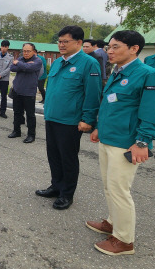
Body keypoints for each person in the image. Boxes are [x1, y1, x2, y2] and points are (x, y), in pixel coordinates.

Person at [87, 30, 155, 255]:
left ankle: (124, 240)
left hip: (126, 142)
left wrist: (142, 142)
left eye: (115, 47)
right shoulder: (117, 71)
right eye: (109, 47)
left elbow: (153, 112)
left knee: (120, 190)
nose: (109, 51)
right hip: (109, 137)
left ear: (134, 49)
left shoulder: (148, 74)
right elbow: (113, 103)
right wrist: (99, 127)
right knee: (109, 186)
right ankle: (113, 223)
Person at [35, 26, 102, 210]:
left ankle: (67, 194)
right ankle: (56, 186)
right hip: (53, 117)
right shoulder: (57, 62)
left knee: (68, 158)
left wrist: (88, 119)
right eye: (59, 41)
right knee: (53, 156)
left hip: (71, 121)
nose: (61, 45)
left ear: (79, 43)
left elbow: (93, 94)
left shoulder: (89, 63)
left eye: (66, 41)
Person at [9, 43, 43, 143]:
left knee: (30, 115)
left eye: (28, 51)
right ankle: (16, 131)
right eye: (24, 51)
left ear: (33, 51)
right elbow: (12, 68)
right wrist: (24, 65)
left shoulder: (38, 61)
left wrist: (19, 64)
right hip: (17, 90)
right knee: (17, 112)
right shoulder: (21, 59)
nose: (26, 53)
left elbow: (29, 68)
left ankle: (31, 135)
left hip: (29, 92)